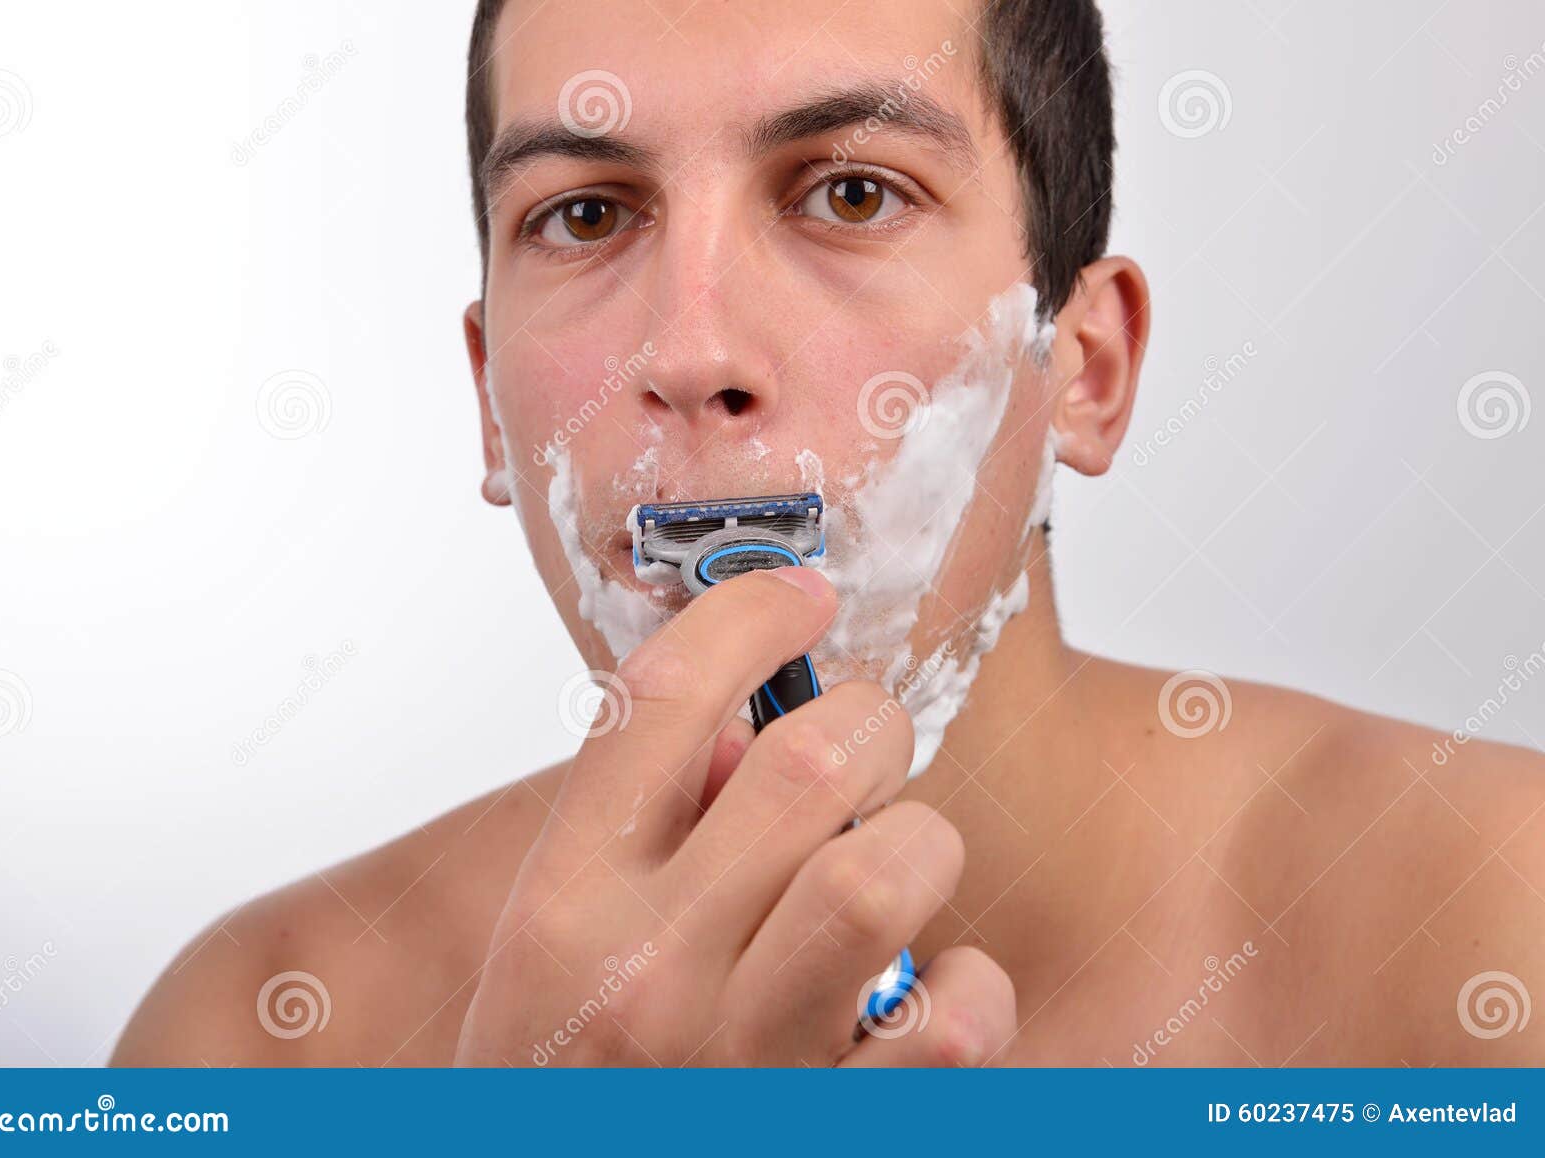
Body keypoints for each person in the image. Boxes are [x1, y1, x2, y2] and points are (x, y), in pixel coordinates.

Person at [114, 0, 1545, 1067]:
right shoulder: (262, 1034)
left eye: (852, 191)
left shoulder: (1495, 928)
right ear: (491, 406)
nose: (691, 349)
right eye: (588, 212)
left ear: (1087, 369)